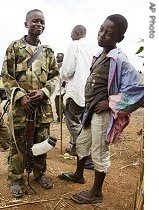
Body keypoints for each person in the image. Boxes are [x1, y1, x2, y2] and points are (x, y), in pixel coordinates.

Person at [58, 14, 144, 204]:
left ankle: (96, 192)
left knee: (99, 150)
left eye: (109, 33)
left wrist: (112, 103)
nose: (102, 35)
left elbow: (138, 89)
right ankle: (78, 174)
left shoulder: (119, 59)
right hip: (90, 110)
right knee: (81, 142)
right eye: (101, 29)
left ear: (119, 38)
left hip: (103, 113)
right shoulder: (99, 56)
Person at [1, 9, 60, 198]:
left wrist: (44, 92)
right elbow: (6, 76)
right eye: (34, 21)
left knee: (41, 143)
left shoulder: (49, 52)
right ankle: (16, 179)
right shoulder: (14, 48)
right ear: (26, 24)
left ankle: (39, 174)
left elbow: (55, 77)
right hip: (21, 109)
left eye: (42, 22)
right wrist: (20, 96)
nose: (39, 25)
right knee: (19, 144)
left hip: (42, 109)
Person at [60, 24, 94, 157]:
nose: (71, 37)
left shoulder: (75, 45)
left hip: (76, 90)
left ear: (77, 32)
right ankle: (75, 148)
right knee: (83, 122)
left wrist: (61, 75)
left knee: (73, 122)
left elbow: (67, 70)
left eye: (71, 34)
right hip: (89, 92)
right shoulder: (92, 48)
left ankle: (87, 153)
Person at [54, 53, 67, 123]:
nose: (57, 58)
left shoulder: (64, 66)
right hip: (57, 88)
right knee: (59, 104)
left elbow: (65, 76)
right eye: (57, 57)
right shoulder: (56, 66)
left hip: (61, 88)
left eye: (59, 57)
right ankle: (63, 117)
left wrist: (63, 83)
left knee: (58, 103)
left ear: (62, 58)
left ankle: (60, 118)